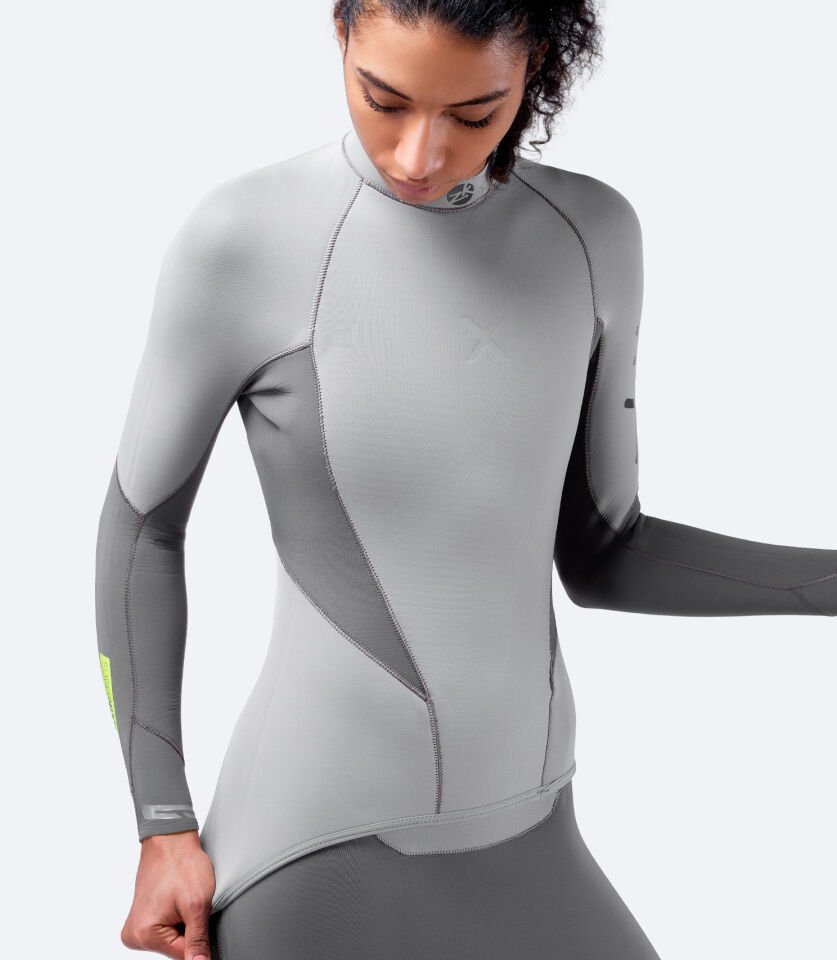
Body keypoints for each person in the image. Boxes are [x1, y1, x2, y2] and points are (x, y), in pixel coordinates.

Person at [94, 1, 837, 958]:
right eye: (383, 100)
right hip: (317, 842)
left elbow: (606, 553)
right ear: (341, 34)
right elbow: (142, 530)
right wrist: (162, 826)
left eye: (473, 114)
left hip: (535, 823)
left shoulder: (591, 234)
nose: (418, 155)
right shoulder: (246, 237)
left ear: (535, 68)